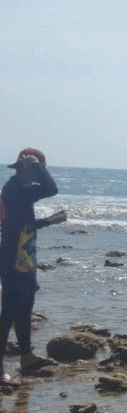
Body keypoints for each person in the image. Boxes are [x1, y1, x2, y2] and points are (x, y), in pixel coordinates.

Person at [0, 148, 67, 387]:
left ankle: (26, 357)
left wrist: (49, 221)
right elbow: (51, 189)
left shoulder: (22, 191)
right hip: (12, 258)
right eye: (37, 170)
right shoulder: (14, 190)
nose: (39, 175)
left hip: (24, 256)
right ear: (26, 168)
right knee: (7, 314)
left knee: (25, 307)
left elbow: (25, 224)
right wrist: (37, 165)